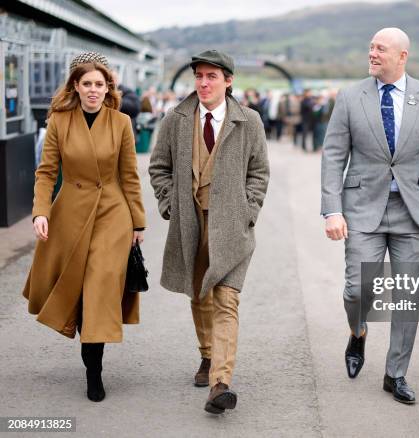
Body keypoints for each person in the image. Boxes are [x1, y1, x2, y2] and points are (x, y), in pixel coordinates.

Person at [321, 28, 419, 404]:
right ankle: (359, 330)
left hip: (411, 214)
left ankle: (395, 373)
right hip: (362, 210)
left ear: (402, 56)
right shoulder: (350, 97)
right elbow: (334, 156)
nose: (372, 53)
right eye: (370, 47)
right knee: (357, 290)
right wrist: (332, 209)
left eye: (380, 49)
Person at [149, 49, 269, 415]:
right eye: (199, 76)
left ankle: (220, 382)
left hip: (232, 225)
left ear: (228, 81)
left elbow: (259, 173)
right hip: (190, 222)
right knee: (199, 296)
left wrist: (248, 211)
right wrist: (170, 204)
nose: (203, 83)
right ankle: (206, 355)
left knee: (226, 299)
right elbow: (159, 167)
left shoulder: (249, 121)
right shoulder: (176, 120)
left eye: (211, 77)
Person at [23, 52, 146, 402]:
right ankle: (88, 354)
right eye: (87, 83)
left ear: (108, 88)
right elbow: (46, 172)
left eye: (100, 84)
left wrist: (138, 221)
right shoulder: (60, 122)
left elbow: (129, 177)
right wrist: (40, 212)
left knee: (100, 287)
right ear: (76, 86)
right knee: (77, 289)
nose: (94, 90)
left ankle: (95, 369)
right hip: (70, 215)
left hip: (112, 214)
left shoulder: (121, 122)